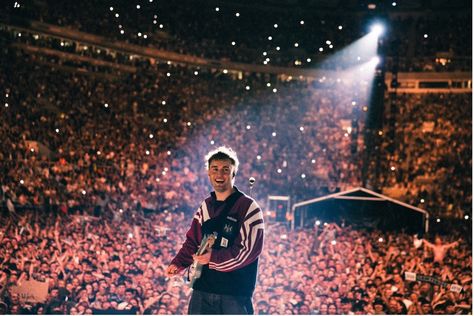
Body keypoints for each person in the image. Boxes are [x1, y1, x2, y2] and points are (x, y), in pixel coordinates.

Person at [166, 146, 265, 314]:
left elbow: (248, 251)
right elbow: (192, 241)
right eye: (215, 169)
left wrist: (213, 258)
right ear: (209, 174)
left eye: (226, 170)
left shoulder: (248, 207)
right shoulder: (205, 206)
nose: (220, 174)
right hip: (201, 291)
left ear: (234, 173)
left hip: (234, 296)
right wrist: (179, 263)